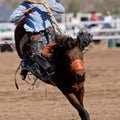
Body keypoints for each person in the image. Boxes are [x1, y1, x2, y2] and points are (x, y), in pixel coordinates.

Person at [9, 0, 65, 81]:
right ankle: (34, 67)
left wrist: (51, 6)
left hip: (51, 33)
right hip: (37, 37)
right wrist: (24, 12)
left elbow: (61, 10)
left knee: (65, 49)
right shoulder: (24, 5)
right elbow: (11, 19)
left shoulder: (47, 1)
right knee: (36, 57)